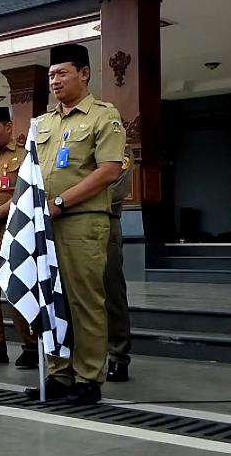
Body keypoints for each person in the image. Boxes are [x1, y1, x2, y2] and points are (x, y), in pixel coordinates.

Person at [28, 43, 125, 404]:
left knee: (85, 301)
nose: (55, 80)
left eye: (62, 73)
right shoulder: (43, 123)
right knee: (53, 301)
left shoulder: (103, 116)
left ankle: (87, 378)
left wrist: (60, 201)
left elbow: (109, 171)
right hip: (45, 224)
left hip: (82, 222)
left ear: (84, 74)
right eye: (51, 74)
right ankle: (58, 373)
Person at [0, 107, 38, 369]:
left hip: (11, 231)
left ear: (8, 127)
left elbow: (27, 190)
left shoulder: (23, 155)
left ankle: (31, 345)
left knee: (17, 289)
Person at [105, 151, 133, 382]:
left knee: (112, 291)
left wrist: (74, 196)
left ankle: (118, 354)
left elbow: (118, 189)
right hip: (70, 223)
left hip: (106, 222)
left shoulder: (119, 144)